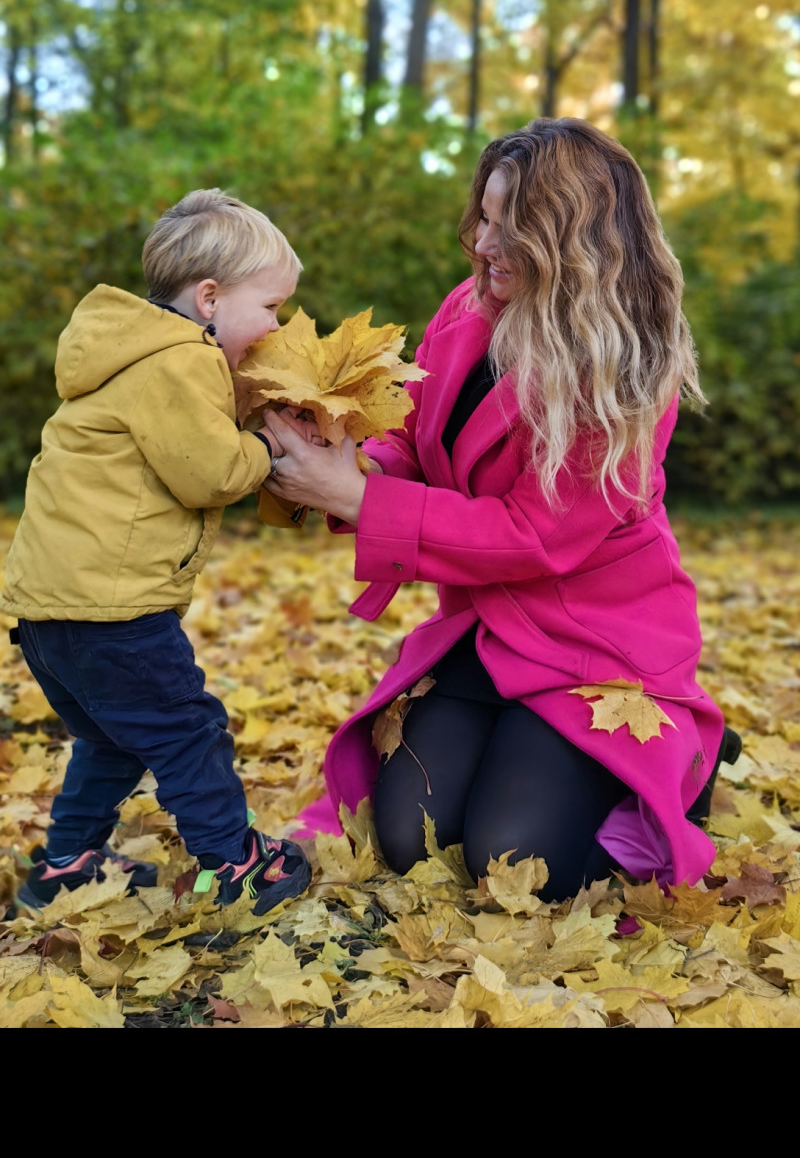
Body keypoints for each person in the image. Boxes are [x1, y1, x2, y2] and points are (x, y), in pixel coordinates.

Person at [264, 120, 737, 898]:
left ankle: (678, 764)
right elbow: (415, 438)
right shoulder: (469, 307)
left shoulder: (621, 373)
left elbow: (534, 536)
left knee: (515, 861)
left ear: (572, 241)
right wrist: (348, 465)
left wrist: (356, 497)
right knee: (407, 839)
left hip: (594, 639)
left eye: (511, 228)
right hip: (488, 629)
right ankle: (517, 751)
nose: (484, 244)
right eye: (484, 217)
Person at [2, 189, 311, 917]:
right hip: (114, 611)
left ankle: (66, 865)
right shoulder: (178, 360)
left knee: (112, 739)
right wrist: (268, 447)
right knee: (189, 731)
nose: (277, 326)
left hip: (54, 610)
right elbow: (208, 471)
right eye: (269, 308)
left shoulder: (130, 353)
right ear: (209, 299)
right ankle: (231, 868)